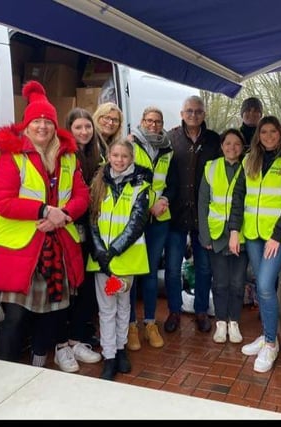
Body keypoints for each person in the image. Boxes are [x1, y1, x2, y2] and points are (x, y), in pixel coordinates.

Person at [0, 80, 90, 373]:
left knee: (53, 314)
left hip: (58, 244)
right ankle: (4, 374)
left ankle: (38, 368)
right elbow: (2, 201)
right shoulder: (11, 156)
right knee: (15, 317)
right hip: (23, 249)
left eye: (48, 121)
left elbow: (82, 196)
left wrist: (64, 215)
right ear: (27, 125)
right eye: (37, 121)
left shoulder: (68, 157)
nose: (43, 127)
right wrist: (44, 210)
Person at [228, 116, 281, 373]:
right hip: (252, 233)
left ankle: (271, 344)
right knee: (264, 285)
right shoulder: (250, 160)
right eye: (264, 132)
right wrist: (234, 230)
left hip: (277, 237)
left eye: (274, 131)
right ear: (258, 135)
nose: (269, 136)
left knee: (264, 285)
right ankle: (266, 334)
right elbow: (238, 197)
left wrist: (277, 234)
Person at [86, 139, 150, 381]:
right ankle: (109, 355)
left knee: (124, 307)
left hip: (126, 258)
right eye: (115, 155)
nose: (120, 160)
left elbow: (137, 223)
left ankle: (122, 349)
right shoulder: (99, 182)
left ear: (131, 158)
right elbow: (92, 219)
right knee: (106, 309)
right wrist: (100, 251)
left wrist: (112, 251)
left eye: (125, 156)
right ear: (109, 156)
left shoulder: (140, 185)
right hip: (102, 259)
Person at [49, 107, 105, 367]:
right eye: (78, 127)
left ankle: (76, 339)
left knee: (85, 287)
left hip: (93, 230)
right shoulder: (63, 154)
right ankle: (61, 344)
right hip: (68, 228)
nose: (84, 132)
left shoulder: (98, 152)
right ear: (68, 129)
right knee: (66, 288)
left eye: (87, 127)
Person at [165, 95, 221, 334]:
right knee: (172, 267)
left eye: (198, 111)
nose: (194, 115)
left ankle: (200, 311)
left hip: (203, 215)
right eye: (189, 111)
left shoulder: (214, 140)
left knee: (204, 268)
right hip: (176, 214)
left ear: (204, 114)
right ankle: (174, 311)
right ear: (181, 113)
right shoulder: (170, 138)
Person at [127, 107, 176, 350]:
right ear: (141, 121)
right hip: (136, 218)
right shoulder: (131, 145)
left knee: (150, 271)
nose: (153, 125)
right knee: (132, 271)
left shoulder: (168, 149)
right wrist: (145, 207)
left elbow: (172, 183)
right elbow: (124, 179)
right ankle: (131, 326)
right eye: (149, 121)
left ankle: (149, 322)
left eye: (157, 121)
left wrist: (164, 200)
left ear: (163, 123)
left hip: (160, 219)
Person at [197, 128, 248, 344]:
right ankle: (221, 322)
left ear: (243, 147)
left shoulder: (249, 167)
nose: (232, 148)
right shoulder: (211, 167)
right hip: (217, 233)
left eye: (237, 144)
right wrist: (205, 236)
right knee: (220, 282)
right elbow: (202, 203)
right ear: (221, 146)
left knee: (237, 283)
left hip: (242, 235)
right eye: (228, 143)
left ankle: (234, 322)